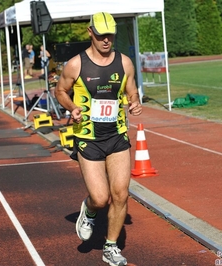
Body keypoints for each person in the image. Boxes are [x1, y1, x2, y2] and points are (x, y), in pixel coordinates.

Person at [55, 12, 142, 266]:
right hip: (88, 138)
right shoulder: (75, 64)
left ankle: (111, 246)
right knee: (101, 198)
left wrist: (134, 104)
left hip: (117, 136)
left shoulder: (125, 63)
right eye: (102, 35)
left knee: (121, 194)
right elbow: (60, 90)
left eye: (110, 35)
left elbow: (131, 92)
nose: (106, 40)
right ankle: (90, 210)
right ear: (90, 32)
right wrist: (71, 107)